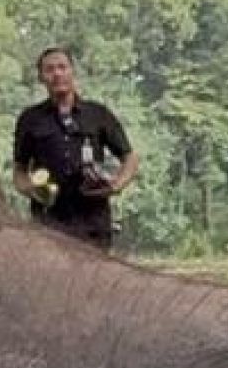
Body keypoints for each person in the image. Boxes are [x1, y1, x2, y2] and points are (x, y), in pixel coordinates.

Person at [11, 47, 136, 251]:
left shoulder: (98, 114)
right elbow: (19, 171)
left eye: (62, 67)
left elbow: (130, 157)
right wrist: (33, 190)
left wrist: (117, 185)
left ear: (72, 72)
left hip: (93, 222)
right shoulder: (30, 119)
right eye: (49, 69)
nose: (57, 74)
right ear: (41, 77)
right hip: (49, 223)